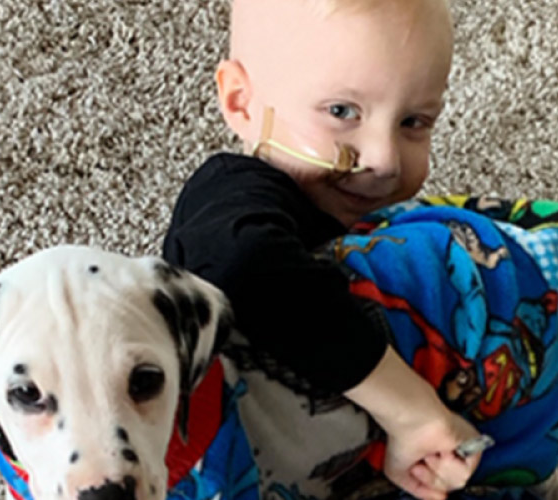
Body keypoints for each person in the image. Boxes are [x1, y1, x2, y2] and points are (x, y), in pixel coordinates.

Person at [163, 1, 480, 499]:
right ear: (242, 103)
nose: (383, 158)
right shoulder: (230, 197)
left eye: (413, 122)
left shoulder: (370, 219)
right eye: (341, 112)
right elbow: (244, 266)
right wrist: (409, 409)